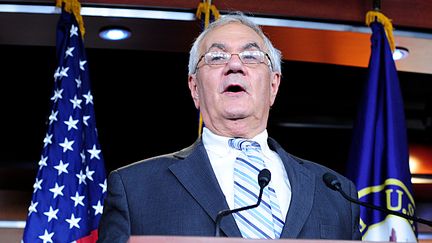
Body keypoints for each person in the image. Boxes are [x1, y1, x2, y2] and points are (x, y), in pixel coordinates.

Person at [97, 12, 361, 242]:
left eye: (251, 56)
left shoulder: (336, 194)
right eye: (216, 57)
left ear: (273, 85)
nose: (235, 65)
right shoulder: (136, 188)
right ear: (195, 88)